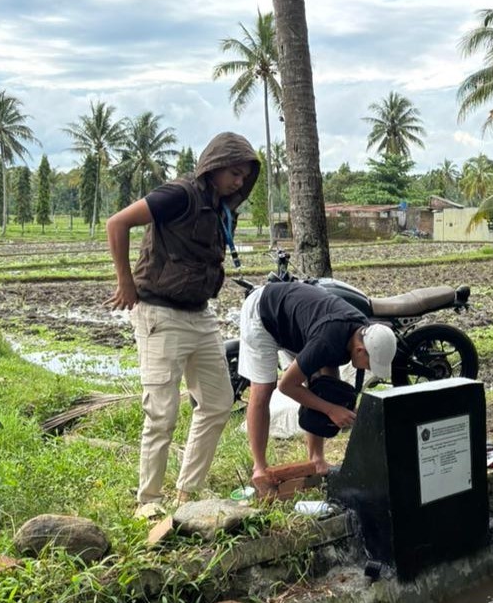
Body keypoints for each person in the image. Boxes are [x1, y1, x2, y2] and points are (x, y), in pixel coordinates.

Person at [106, 132, 260, 516]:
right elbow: (117, 222)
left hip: (199, 314)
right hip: (159, 312)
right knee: (162, 411)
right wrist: (125, 281)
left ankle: (188, 493)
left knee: (220, 401)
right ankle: (149, 500)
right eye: (234, 174)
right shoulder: (180, 194)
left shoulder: (222, 208)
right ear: (215, 165)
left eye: (244, 177)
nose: (238, 183)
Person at [238, 280, 397, 481]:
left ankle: (316, 459)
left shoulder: (362, 331)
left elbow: (327, 387)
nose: (369, 369)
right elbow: (287, 386)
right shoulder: (327, 341)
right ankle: (259, 469)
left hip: (297, 323)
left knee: (327, 388)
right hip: (263, 313)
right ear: (359, 350)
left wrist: (340, 407)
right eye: (370, 364)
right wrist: (331, 410)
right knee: (263, 389)